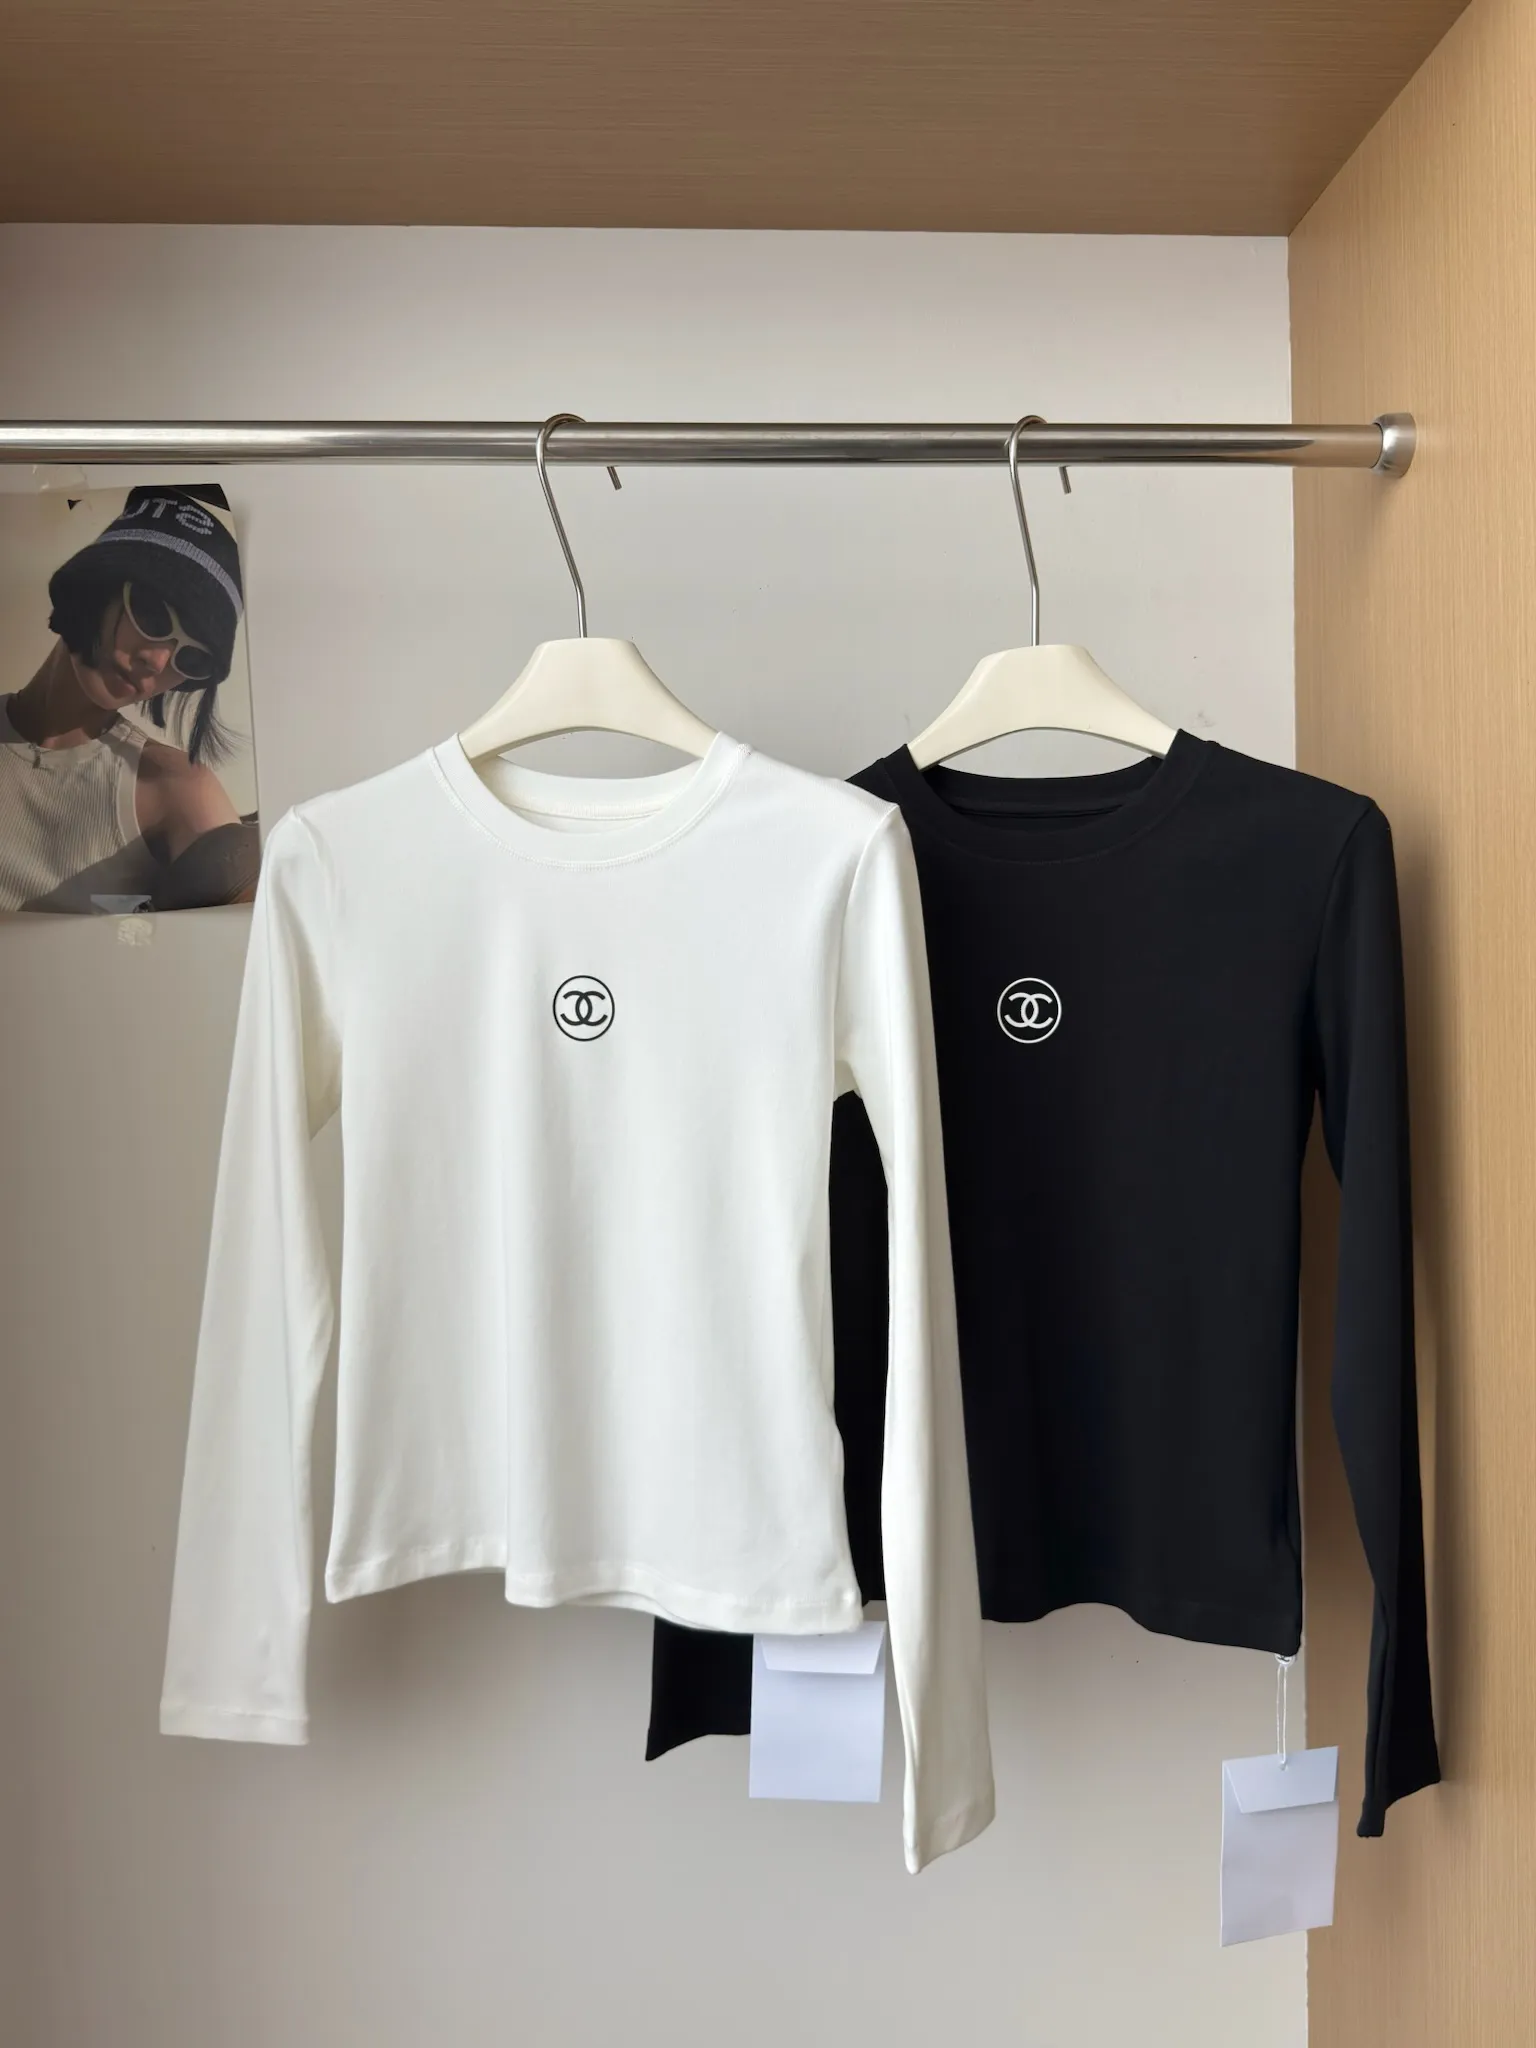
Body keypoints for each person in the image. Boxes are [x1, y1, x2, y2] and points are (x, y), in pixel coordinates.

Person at [0, 486, 259, 914]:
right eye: (153, 616)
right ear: (97, 586)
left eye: (191, 657)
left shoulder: (176, 790)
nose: (156, 661)